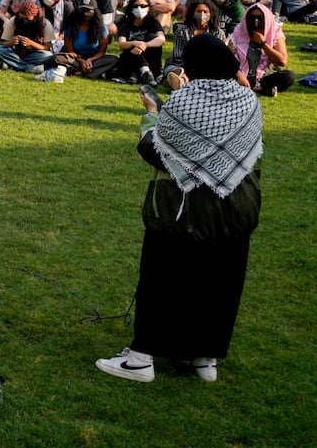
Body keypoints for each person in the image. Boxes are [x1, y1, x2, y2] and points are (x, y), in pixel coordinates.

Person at [97, 35, 262, 384]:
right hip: (236, 210)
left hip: (183, 211)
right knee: (221, 283)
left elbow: (155, 151)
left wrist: (151, 116)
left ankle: (141, 359)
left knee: (163, 279)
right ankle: (205, 358)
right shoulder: (249, 101)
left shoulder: (184, 102)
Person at [230, 3, 292, 97]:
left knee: (289, 76)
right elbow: (227, 59)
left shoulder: (274, 31)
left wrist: (263, 43)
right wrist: (239, 75)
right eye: (252, 17)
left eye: (259, 18)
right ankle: (261, 90)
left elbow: (282, 61)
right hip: (239, 74)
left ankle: (253, 88)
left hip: (263, 75)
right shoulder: (239, 31)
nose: (256, 21)